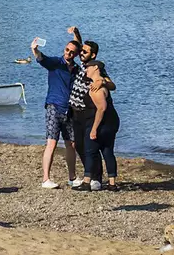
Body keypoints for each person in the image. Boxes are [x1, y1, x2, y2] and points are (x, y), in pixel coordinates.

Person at [31, 32, 82, 189]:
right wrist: (35, 50)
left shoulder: (76, 69)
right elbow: (41, 58)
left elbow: (79, 46)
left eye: (72, 52)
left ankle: (72, 177)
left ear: (76, 54)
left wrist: (76, 34)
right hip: (54, 106)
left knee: (71, 144)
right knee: (51, 143)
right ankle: (46, 179)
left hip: (69, 110)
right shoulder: (56, 63)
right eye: (67, 50)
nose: (68, 53)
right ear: (64, 49)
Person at [82, 60, 121, 190]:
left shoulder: (95, 88)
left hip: (103, 123)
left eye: (88, 67)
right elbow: (112, 86)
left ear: (96, 68)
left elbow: (102, 108)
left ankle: (86, 182)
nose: (86, 69)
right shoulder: (103, 82)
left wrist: (94, 129)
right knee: (108, 151)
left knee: (90, 151)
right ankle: (112, 183)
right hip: (112, 122)